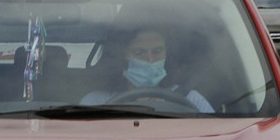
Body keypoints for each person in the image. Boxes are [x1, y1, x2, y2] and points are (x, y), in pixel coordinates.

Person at [81, 26, 214, 112]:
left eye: (157, 51)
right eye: (139, 52)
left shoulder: (192, 100)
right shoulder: (96, 103)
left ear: (167, 54)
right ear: (122, 57)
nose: (150, 60)